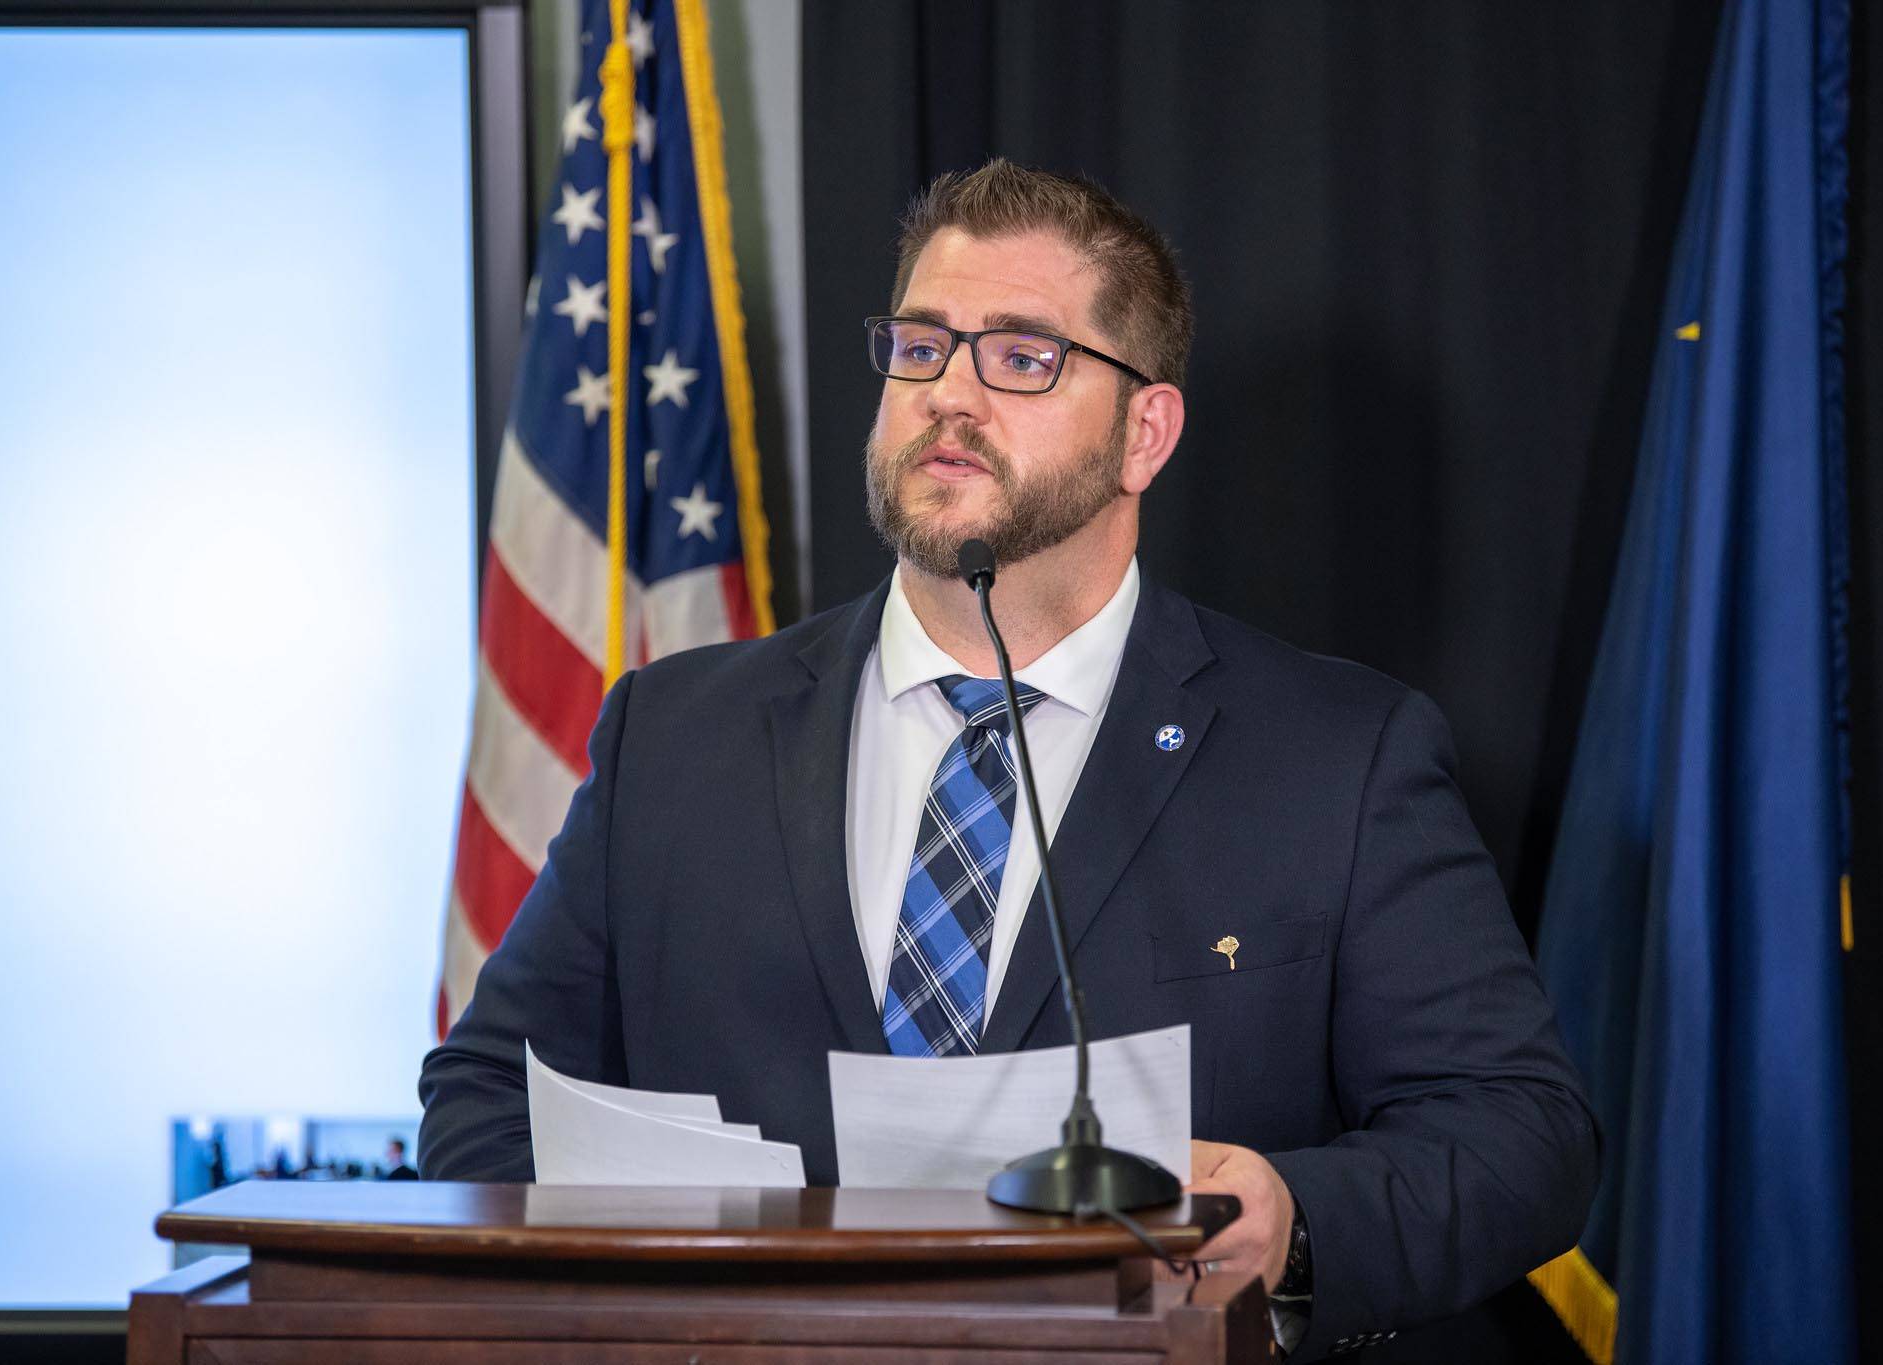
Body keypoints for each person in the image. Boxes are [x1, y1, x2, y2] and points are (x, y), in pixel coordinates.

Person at [420, 158, 1596, 1356]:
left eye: (1022, 357)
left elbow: (1520, 1136)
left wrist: (1292, 1221)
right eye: (921, 346)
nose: (949, 396)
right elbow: (483, 1097)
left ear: (1145, 432)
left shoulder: (1337, 759)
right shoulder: (669, 738)